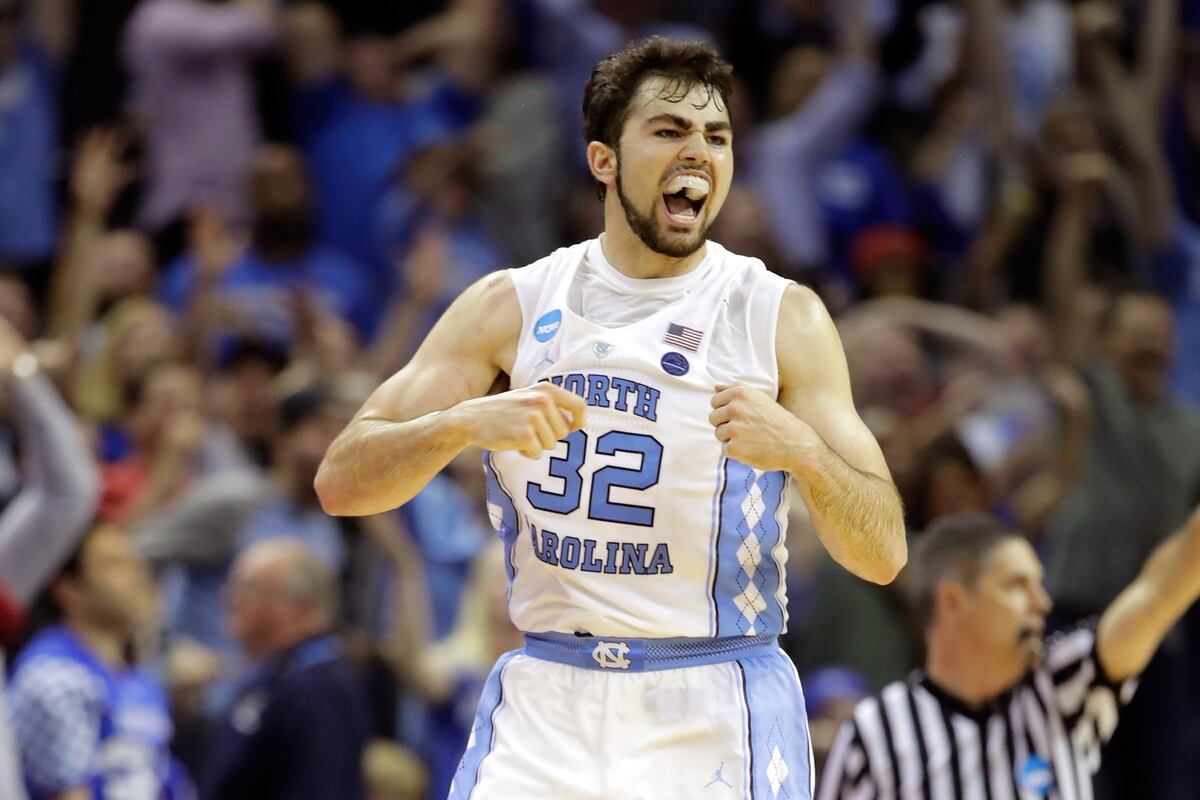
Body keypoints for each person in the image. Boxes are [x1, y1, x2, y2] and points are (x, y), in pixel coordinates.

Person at [317, 36, 906, 798]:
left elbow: (885, 551)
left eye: (717, 137)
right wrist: (459, 425)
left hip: (709, 694)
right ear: (604, 159)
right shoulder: (512, 305)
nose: (699, 151)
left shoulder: (777, 317)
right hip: (548, 693)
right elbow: (340, 481)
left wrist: (802, 451)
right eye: (669, 130)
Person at [817, 508, 1200, 799]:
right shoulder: (874, 733)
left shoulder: (1063, 687)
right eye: (1018, 585)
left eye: (1040, 584)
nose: (1043, 603)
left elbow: (1159, 592)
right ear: (954, 600)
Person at [7, 524, 185, 800]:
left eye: (136, 563)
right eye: (114, 564)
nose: (137, 576)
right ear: (67, 588)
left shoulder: (140, 678)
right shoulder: (54, 677)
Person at [199, 538, 372, 800]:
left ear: (298, 607)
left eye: (247, 589)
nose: (229, 598)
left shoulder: (321, 691)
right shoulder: (274, 675)